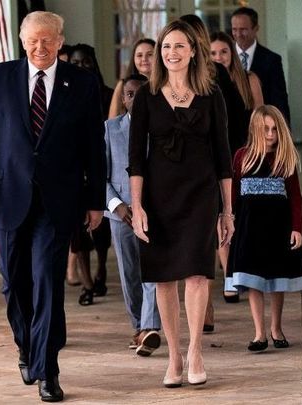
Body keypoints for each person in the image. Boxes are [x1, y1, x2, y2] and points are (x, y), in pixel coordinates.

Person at [0, 11, 105, 402]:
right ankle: (26, 346)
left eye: (48, 40)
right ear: (21, 39)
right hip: (8, 197)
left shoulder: (81, 83)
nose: (40, 48)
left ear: (61, 40)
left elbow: (94, 147)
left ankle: (48, 369)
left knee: (47, 282)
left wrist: (95, 200)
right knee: (14, 284)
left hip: (58, 201)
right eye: (33, 40)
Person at [129, 20, 234, 388]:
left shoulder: (212, 95)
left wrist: (228, 211)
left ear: (193, 52)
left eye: (179, 46)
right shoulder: (146, 96)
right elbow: (135, 159)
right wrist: (137, 207)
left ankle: (195, 352)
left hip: (201, 196)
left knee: (197, 274)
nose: (171, 53)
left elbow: (224, 158)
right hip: (158, 198)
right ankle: (174, 355)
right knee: (164, 278)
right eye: (166, 47)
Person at [178, 13, 247, 331]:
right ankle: (203, 311)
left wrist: (231, 163)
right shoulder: (169, 77)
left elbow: (236, 120)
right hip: (179, 171)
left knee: (215, 230)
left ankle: (227, 281)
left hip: (213, 167)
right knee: (192, 241)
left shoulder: (216, 73)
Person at [226, 105, 302, 352]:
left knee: (276, 280)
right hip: (249, 229)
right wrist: (229, 221)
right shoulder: (243, 157)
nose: (271, 134)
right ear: (255, 129)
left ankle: (276, 327)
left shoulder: (285, 158)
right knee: (254, 281)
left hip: (277, 228)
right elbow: (234, 194)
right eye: (265, 129)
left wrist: (296, 227)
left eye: (274, 129)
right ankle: (259, 333)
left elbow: (296, 196)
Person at [105, 73, 161, 356]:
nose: (134, 99)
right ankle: (138, 325)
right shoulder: (109, 129)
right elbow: (98, 175)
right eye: (129, 94)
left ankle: (150, 328)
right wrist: (117, 205)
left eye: (140, 93)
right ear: (122, 98)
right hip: (121, 214)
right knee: (130, 273)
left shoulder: (160, 128)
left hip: (154, 212)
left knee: (152, 270)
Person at [210, 30, 264, 304]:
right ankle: (229, 276)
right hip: (220, 157)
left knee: (242, 217)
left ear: (232, 54)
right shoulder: (208, 81)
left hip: (245, 154)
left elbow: (259, 117)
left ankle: (243, 271)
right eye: (213, 53)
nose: (218, 57)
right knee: (223, 213)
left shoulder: (247, 80)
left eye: (223, 52)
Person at [68, 43, 113, 304]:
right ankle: (86, 284)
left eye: (85, 62)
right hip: (72, 169)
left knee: (101, 227)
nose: (81, 66)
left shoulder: (106, 94)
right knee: (78, 230)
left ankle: (102, 270)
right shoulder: (61, 94)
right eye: (75, 62)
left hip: (100, 165)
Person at [231, 6, 290, 123]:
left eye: (243, 29)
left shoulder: (272, 60)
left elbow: (279, 100)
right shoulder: (224, 57)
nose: (238, 34)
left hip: (261, 126)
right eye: (234, 29)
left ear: (256, 28)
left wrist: (284, 134)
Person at [108, 38, 155, 118]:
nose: (144, 59)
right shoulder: (123, 84)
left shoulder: (165, 84)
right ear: (133, 59)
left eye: (150, 54)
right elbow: (112, 123)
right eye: (139, 55)